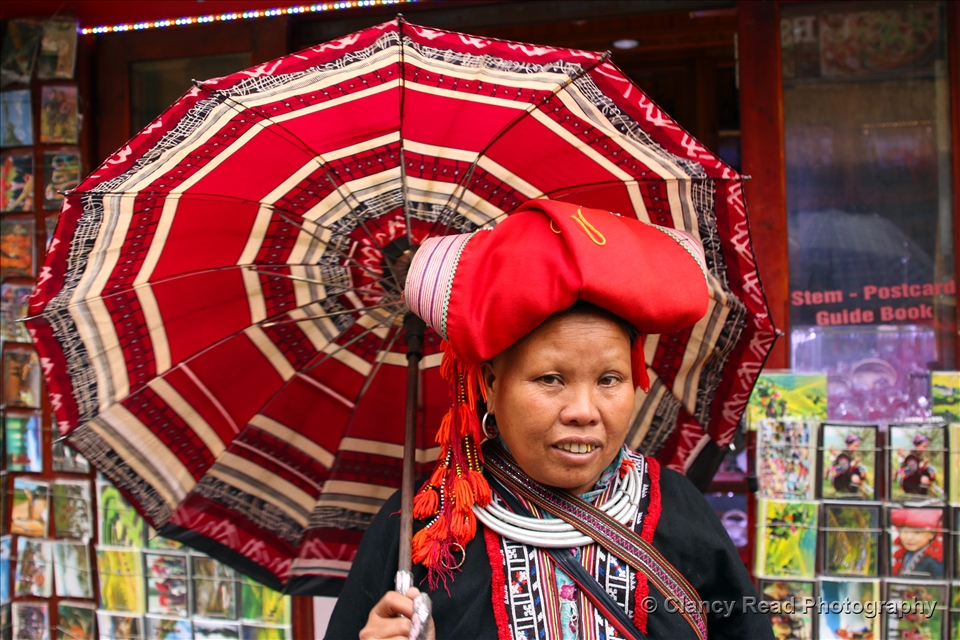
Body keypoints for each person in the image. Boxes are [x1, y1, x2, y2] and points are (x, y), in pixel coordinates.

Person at [325, 200, 773, 639]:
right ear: (490, 385)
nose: (583, 410)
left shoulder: (678, 508)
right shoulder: (418, 533)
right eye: (551, 378)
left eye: (610, 379)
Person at [890, 509, 943, 578]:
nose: (909, 537)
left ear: (932, 534)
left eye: (916, 532)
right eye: (905, 531)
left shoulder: (933, 562)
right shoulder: (904, 555)